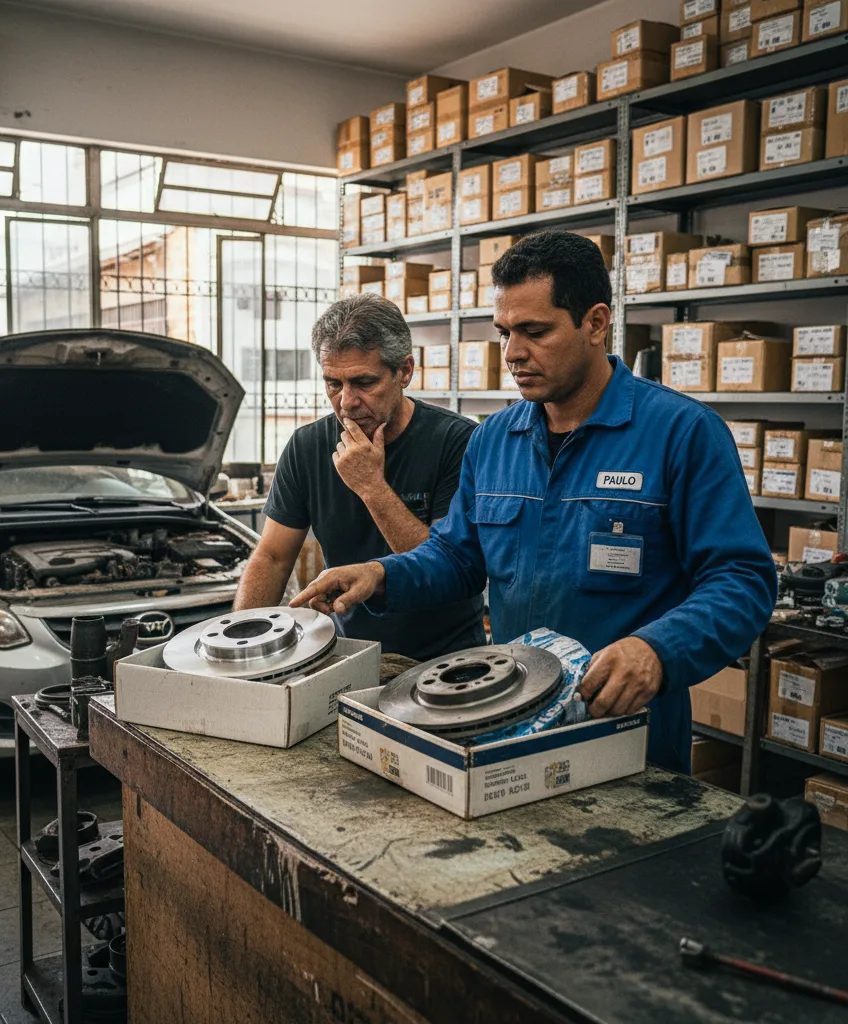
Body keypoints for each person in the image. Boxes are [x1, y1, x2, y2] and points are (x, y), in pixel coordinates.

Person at [292, 231, 777, 773]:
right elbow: (457, 557)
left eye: (534, 331)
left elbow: (743, 579)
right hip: (508, 725)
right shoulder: (494, 439)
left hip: (627, 734)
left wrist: (658, 650)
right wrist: (380, 576)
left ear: (595, 323)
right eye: (503, 332)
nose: (512, 353)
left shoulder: (682, 434)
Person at [234, 292, 485, 660]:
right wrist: (239, 641)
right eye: (333, 383)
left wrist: (371, 486)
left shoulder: (458, 442)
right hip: (348, 653)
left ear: (405, 371)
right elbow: (272, 557)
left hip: (446, 661)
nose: (347, 402)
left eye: (364, 382)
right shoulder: (307, 447)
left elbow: (445, 565)